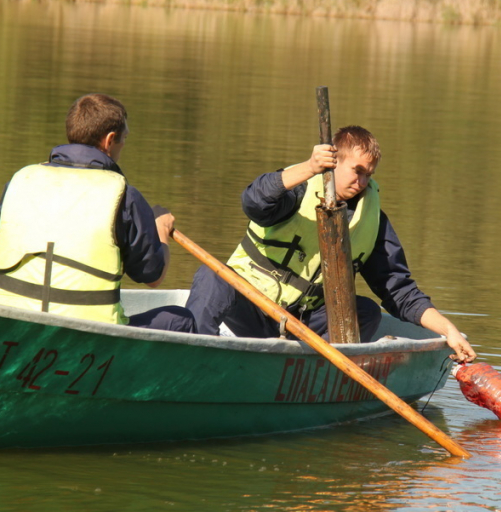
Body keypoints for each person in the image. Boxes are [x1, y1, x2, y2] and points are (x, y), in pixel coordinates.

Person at [185, 125, 476, 362]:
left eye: (369, 175)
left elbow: (399, 290)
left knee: (366, 311)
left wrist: (448, 329)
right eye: (357, 171)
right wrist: (310, 167)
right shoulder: (297, 188)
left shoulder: (373, 220)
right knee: (213, 275)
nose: (362, 183)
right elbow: (254, 201)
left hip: (304, 324)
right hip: (251, 308)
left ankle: (314, 371)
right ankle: (197, 357)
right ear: (333, 161)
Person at [0, 93, 195, 333]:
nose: (124, 145)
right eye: (124, 138)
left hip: (12, 323)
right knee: (182, 319)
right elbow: (153, 276)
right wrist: (161, 229)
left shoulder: (21, 179)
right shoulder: (124, 196)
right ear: (109, 140)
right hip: (91, 333)